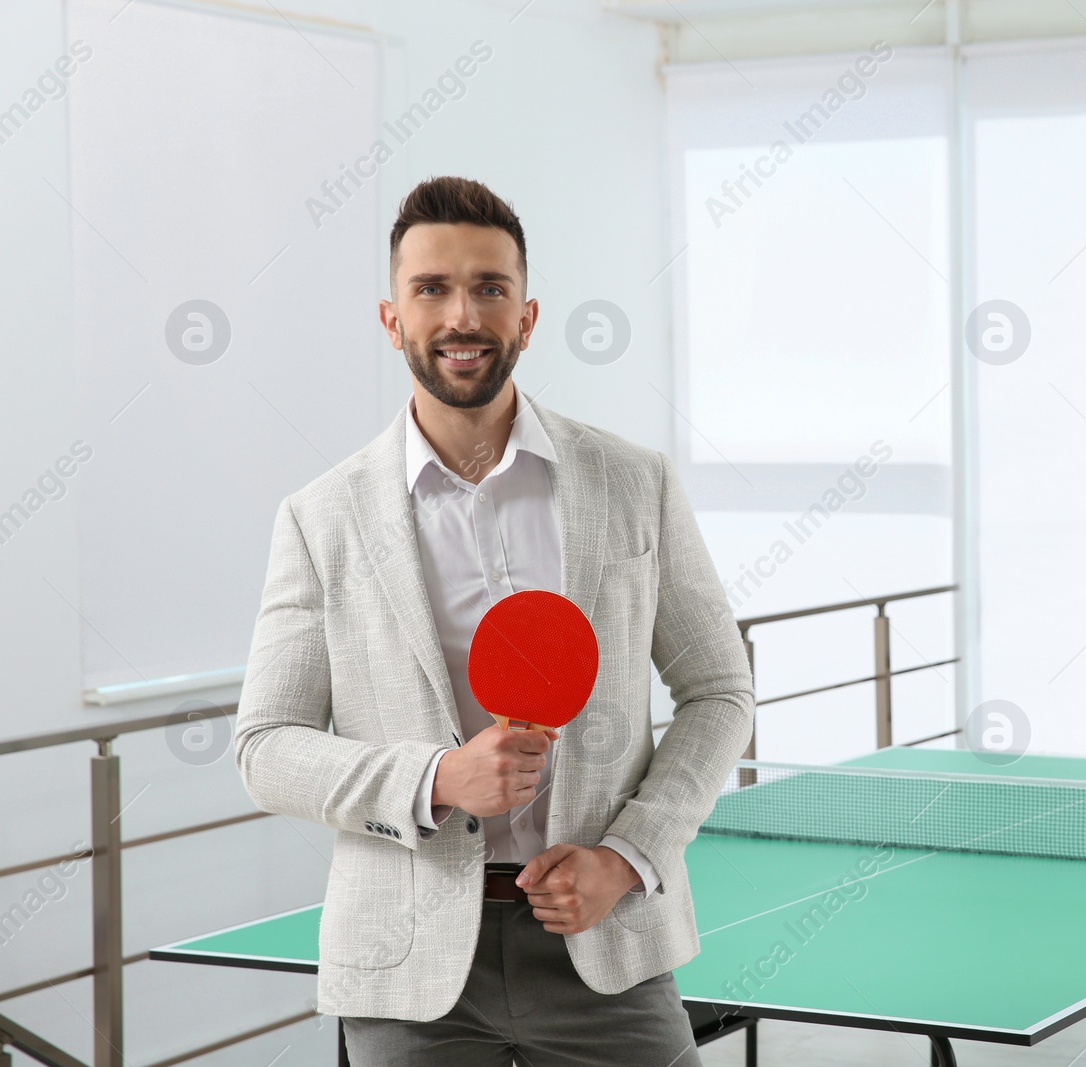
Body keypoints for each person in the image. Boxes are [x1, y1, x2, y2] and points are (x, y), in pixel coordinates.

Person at [233, 175, 754, 1065]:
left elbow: (718, 689)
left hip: (610, 942)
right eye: (432, 288)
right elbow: (265, 745)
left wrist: (627, 856)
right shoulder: (321, 518)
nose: (462, 314)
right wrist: (436, 778)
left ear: (527, 315)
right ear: (392, 318)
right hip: (406, 967)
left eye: (489, 287)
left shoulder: (635, 483)